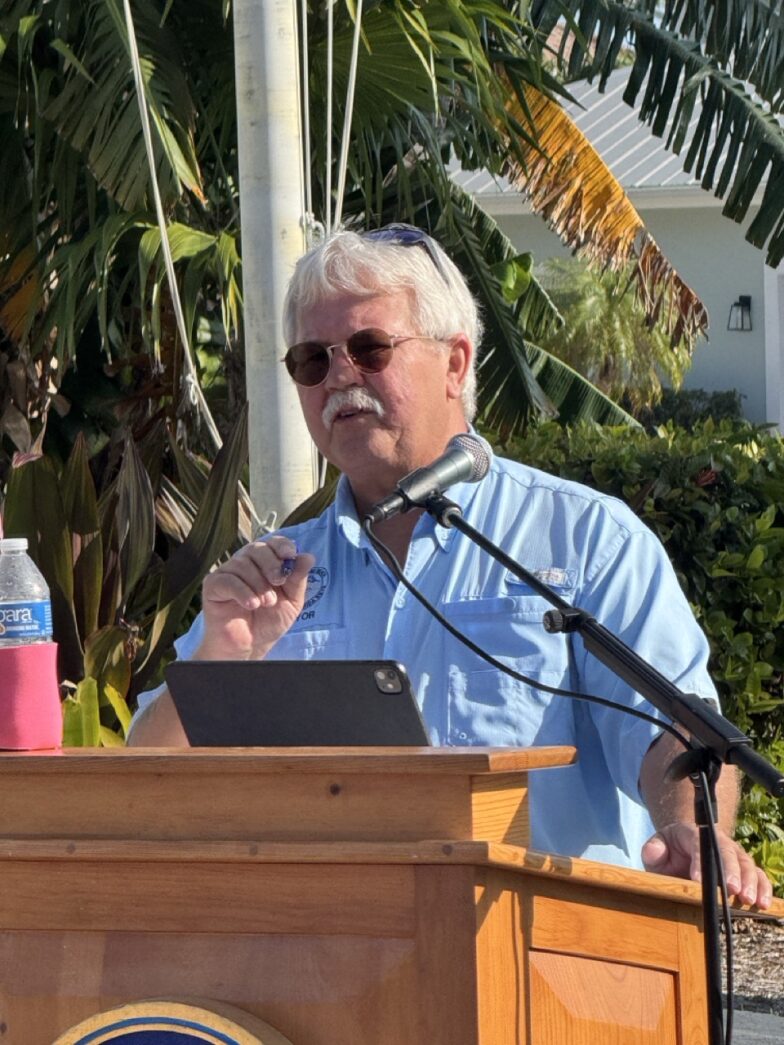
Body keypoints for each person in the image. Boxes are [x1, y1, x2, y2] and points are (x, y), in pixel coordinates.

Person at [129, 224, 772, 908]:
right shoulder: (272, 580)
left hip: (541, 966)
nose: (339, 374)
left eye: (369, 348)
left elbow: (669, 724)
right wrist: (222, 657)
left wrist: (691, 828)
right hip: (325, 963)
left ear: (457, 364)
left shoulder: (583, 540)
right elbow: (147, 776)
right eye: (313, 360)